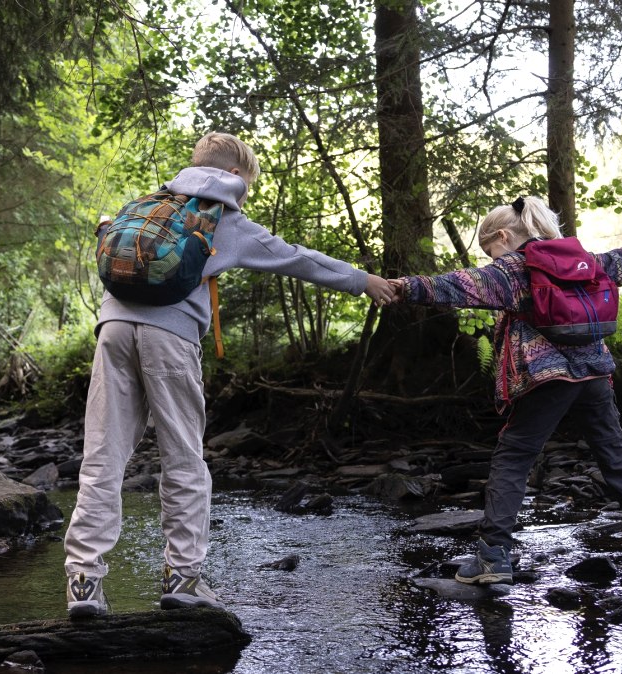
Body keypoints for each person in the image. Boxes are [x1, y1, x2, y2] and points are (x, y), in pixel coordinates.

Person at [64, 132, 396, 617]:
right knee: (183, 458)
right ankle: (183, 578)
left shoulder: (148, 204)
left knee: (103, 456)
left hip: (112, 328)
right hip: (170, 337)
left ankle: (84, 581)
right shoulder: (225, 219)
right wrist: (363, 280)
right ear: (237, 176)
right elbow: (298, 259)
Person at [389, 197, 622, 584]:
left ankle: (492, 557)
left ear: (503, 235)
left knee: (513, 457)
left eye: (491, 251)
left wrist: (401, 288)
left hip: (545, 376)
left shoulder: (514, 269)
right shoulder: (582, 259)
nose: (492, 259)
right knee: (615, 457)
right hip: (595, 372)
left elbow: (458, 285)